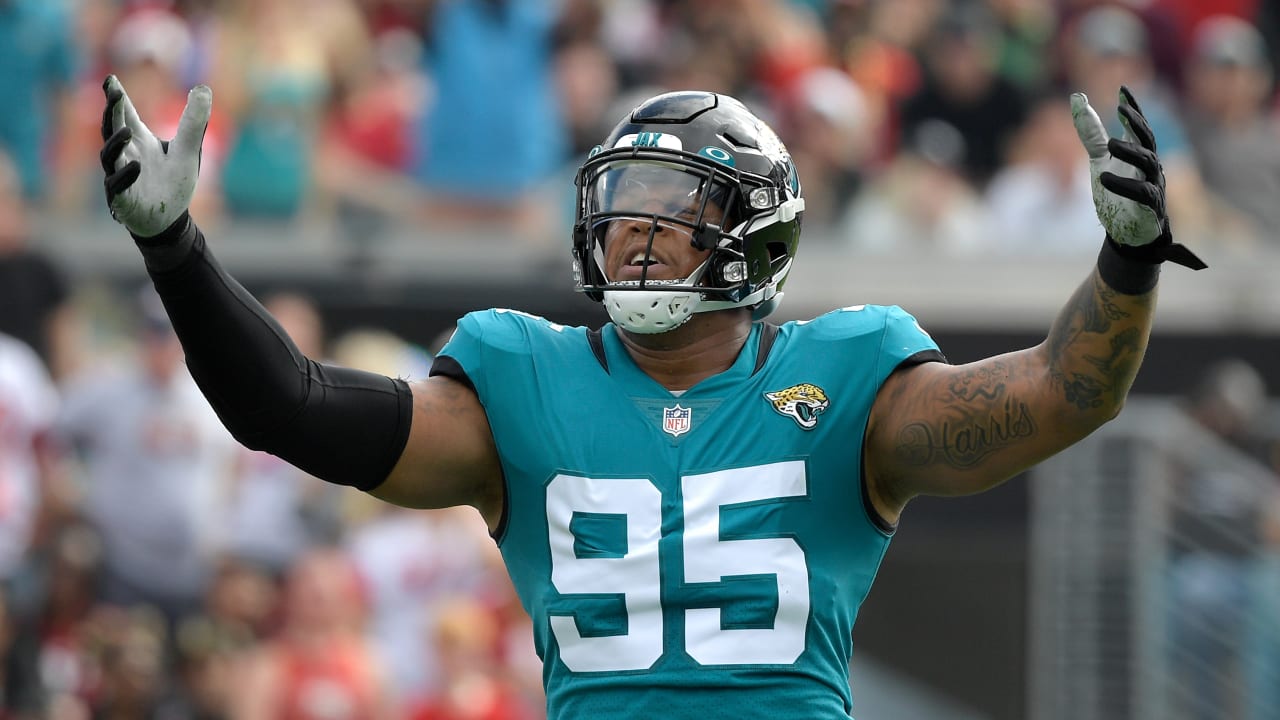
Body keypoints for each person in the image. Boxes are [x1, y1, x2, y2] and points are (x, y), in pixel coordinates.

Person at [98, 72, 1205, 718]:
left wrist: (1126, 261)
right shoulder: (522, 378)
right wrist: (174, 247)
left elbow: (1064, 392)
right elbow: (289, 408)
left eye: (669, 206)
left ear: (753, 232)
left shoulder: (849, 372)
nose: (632, 230)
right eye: (619, 205)